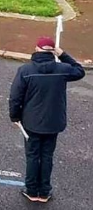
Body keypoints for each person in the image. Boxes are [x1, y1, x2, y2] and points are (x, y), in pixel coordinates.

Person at [9, 36, 86, 203]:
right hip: (53, 122)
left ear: (36, 49)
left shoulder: (25, 70)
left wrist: (14, 116)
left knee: (32, 155)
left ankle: (31, 190)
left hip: (31, 122)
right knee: (47, 156)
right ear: (53, 52)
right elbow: (79, 70)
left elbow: (16, 96)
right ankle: (44, 191)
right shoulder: (63, 69)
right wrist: (63, 54)